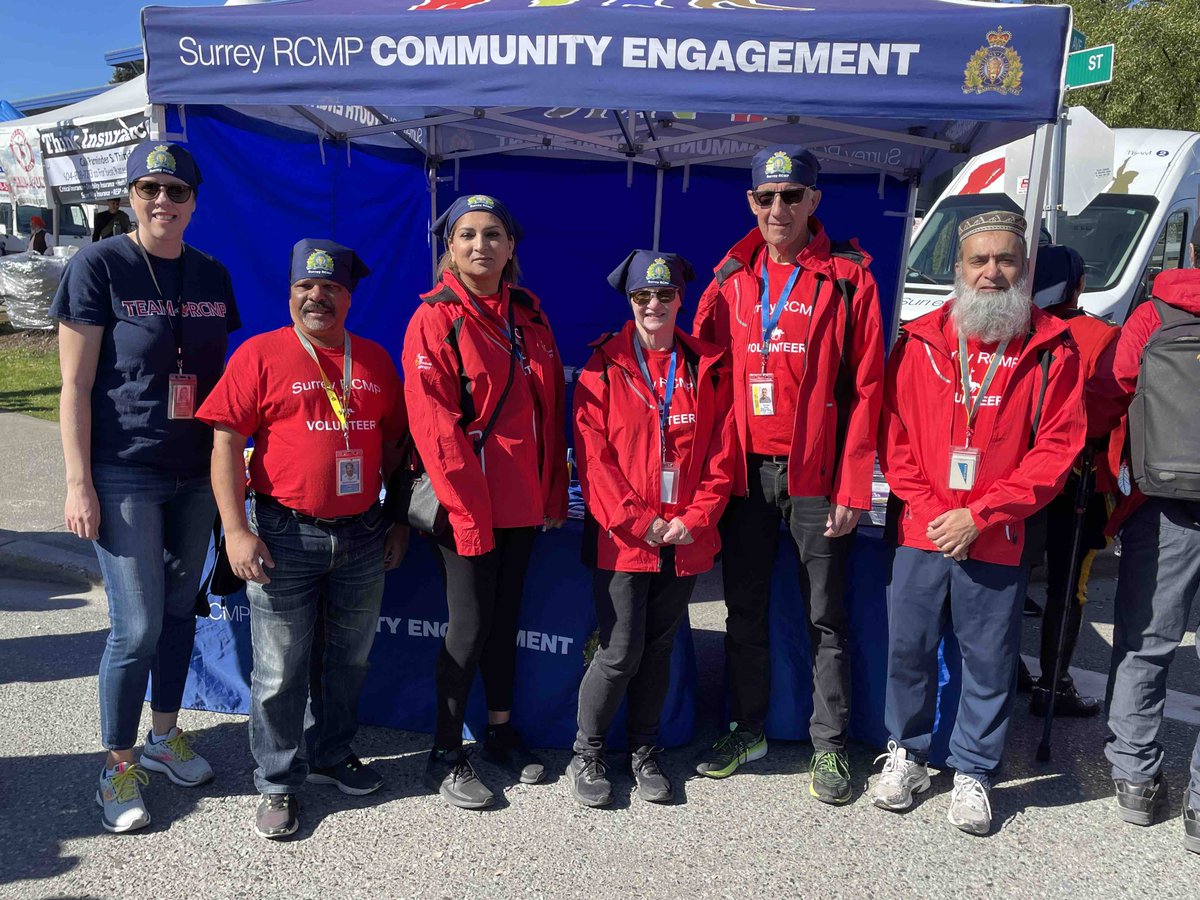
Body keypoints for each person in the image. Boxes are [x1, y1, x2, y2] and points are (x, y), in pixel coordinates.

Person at [873, 211, 1084, 836]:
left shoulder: (1050, 349)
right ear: (957, 270)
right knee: (909, 648)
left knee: (988, 659)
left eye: (1006, 260)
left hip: (997, 532)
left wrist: (981, 514)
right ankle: (907, 754)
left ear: (1024, 268)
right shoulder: (919, 342)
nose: (992, 272)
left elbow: (1056, 451)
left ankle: (972, 769)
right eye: (978, 261)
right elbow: (897, 436)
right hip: (924, 528)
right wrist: (939, 512)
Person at [50, 141, 239, 834]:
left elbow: (222, 387)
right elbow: (73, 385)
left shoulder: (212, 274)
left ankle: (164, 738)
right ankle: (116, 764)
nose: (163, 201)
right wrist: (77, 483)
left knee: (182, 613)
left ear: (194, 200)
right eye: (149, 187)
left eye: (176, 190)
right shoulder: (97, 266)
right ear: (129, 195)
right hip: (123, 469)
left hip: (194, 471)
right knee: (136, 626)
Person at [691, 145, 885, 803]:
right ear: (751, 203)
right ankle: (747, 728)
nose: (779, 208)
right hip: (745, 476)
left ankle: (830, 748)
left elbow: (867, 388)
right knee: (742, 609)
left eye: (792, 195)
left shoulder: (849, 278)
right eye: (766, 197)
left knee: (825, 617)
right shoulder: (728, 281)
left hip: (816, 479)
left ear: (814, 201)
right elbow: (703, 386)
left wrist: (854, 485)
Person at [197, 239, 408, 840]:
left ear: (349, 296)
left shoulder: (372, 360)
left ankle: (333, 754)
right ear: (291, 294)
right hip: (283, 534)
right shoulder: (259, 354)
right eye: (306, 288)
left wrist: (395, 519)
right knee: (280, 670)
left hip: (364, 534)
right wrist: (235, 531)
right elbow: (224, 445)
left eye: (332, 288)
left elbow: (394, 445)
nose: (318, 297)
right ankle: (280, 782)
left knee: (350, 659)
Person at [402, 194, 568, 810]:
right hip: (464, 506)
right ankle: (445, 752)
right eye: (467, 234)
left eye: (493, 234)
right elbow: (436, 428)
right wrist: (469, 519)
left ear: (511, 246)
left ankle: (500, 732)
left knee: (504, 625)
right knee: (468, 629)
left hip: (523, 502)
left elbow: (551, 414)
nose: (481, 245)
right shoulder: (435, 319)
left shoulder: (530, 313)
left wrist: (553, 489)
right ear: (449, 247)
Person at [569, 250, 736, 807]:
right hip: (625, 537)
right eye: (643, 296)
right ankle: (587, 751)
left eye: (664, 295)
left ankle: (643, 749)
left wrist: (695, 517)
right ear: (630, 301)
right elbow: (593, 460)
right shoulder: (603, 365)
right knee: (619, 650)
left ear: (679, 300)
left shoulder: (706, 365)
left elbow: (723, 453)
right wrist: (641, 520)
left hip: (685, 536)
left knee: (660, 649)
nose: (653, 305)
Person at [1091, 267, 1200, 852]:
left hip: (1158, 501)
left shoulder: (1155, 314)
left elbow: (1107, 394)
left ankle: (1135, 778)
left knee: (1145, 638)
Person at [1021, 244, 1121, 718]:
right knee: (1067, 587)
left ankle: (1005, 670)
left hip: (1016, 477)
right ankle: (1052, 684)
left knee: (1009, 578)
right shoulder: (1102, 335)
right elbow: (1109, 411)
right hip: (1076, 478)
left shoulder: (1011, 328)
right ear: (1078, 284)